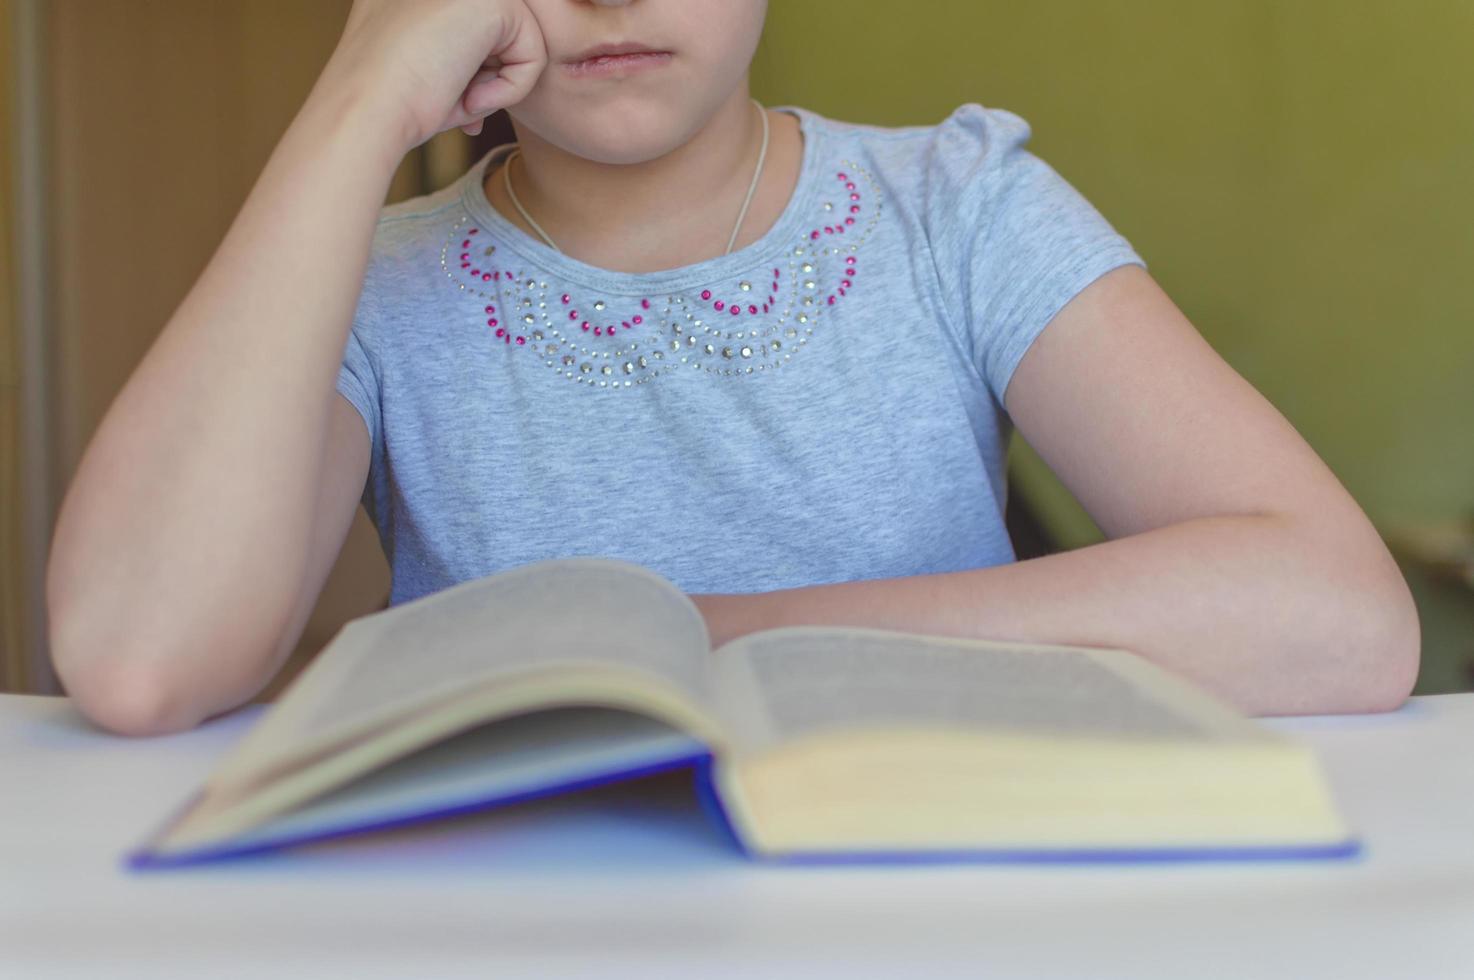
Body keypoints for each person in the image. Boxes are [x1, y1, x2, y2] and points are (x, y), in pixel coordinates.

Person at [45, 0, 1419, 737]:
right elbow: (137, 664)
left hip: (931, 894)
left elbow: (1337, 619)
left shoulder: (958, 206)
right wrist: (357, 94)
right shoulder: (372, 279)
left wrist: (684, 640)